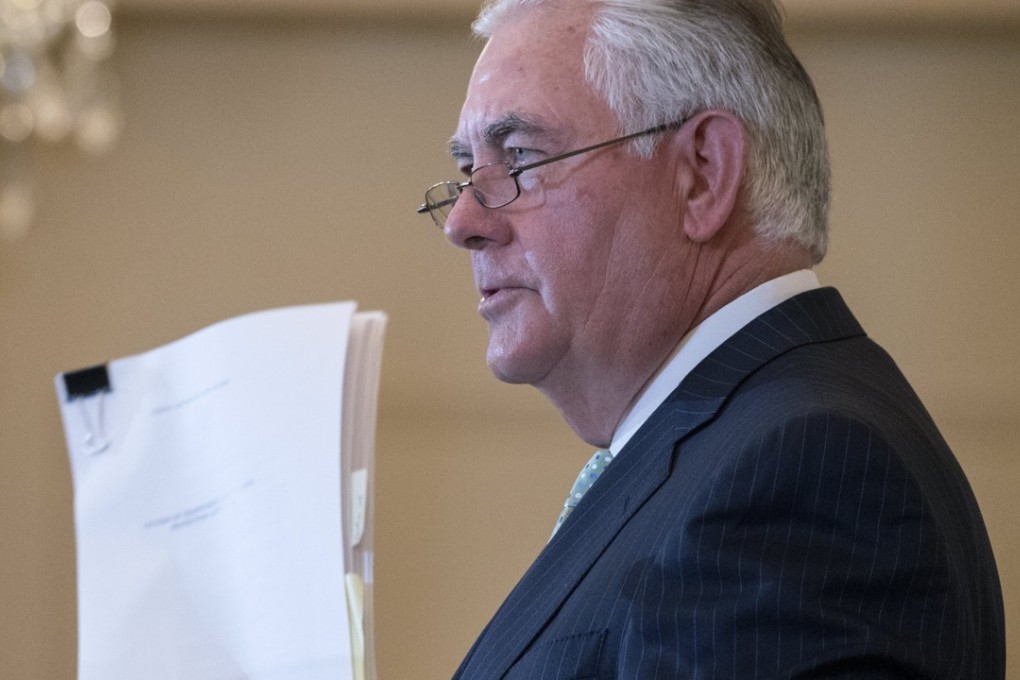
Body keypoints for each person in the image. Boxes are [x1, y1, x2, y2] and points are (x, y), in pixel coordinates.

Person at [416, 0, 1005, 677]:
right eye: (466, 169)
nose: (463, 220)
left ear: (702, 173)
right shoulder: (747, 445)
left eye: (519, 157)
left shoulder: (802, 474)